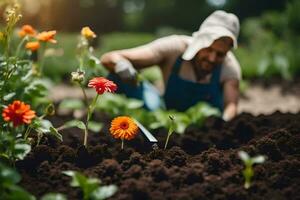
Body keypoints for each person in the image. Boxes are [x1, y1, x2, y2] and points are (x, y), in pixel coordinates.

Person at [100, 10, 241, 121]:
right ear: (199, 41)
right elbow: (111, 58)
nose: (212, 58)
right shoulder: (174, 48)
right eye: (208, 49)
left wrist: (223, 124)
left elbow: (231, 106)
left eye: (220, 54)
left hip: (202, 129)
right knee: (118, 74)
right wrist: (124, 68)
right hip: (164, 117)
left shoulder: (229, 68)